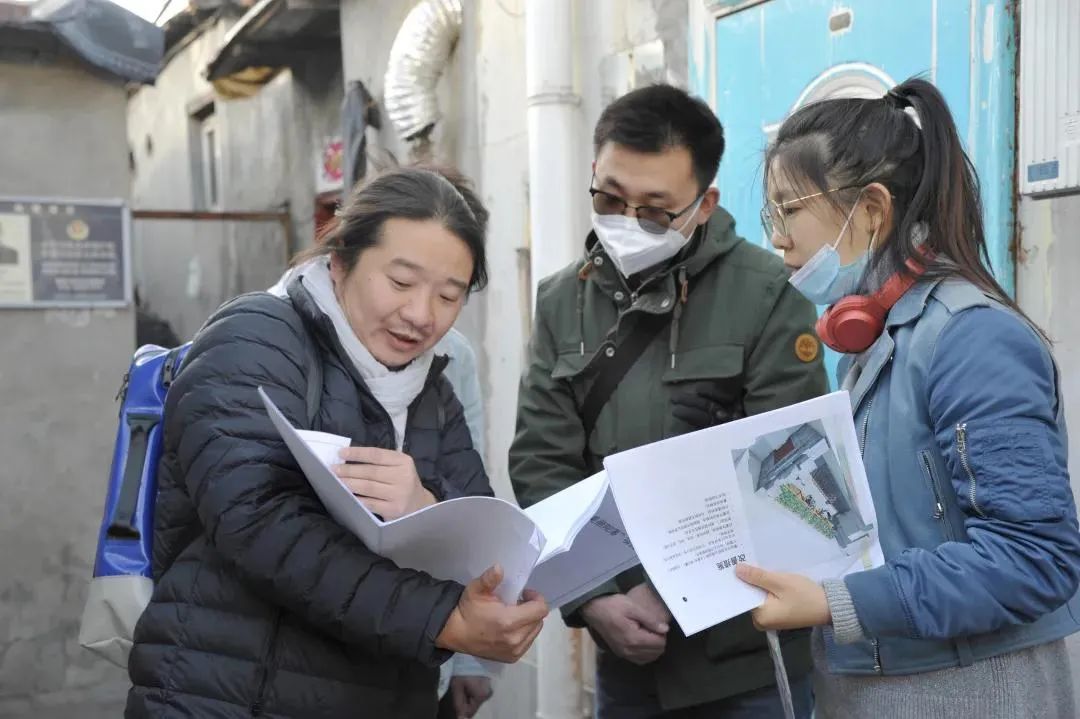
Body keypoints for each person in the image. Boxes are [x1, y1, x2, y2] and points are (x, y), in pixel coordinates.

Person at [126, 166, 547, 718]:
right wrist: (444, 620)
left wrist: (427, 507)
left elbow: (481, 530)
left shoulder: (431, 389)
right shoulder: (256, 337)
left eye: (449, 295)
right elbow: (262, 524)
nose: (421, 315)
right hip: (229, 697)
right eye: (400, 283)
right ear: (342, 259)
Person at [737, 78, 1080, 718]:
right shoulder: (873, 337)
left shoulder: (972, 338)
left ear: (871, 208)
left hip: (971, 694)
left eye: (788, 211)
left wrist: (838, 601)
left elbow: (1035, 558)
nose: (778, 239)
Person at [510, 84, 828, 718]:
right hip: (625, 649)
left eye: (656, 209)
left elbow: (794, 478)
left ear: (704, 205)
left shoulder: (767, 297)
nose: (628, 222)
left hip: (748, 659)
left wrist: (671, 591)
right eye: (609, 197)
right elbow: (543, 463)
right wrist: (598, 597)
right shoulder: (560, 303)